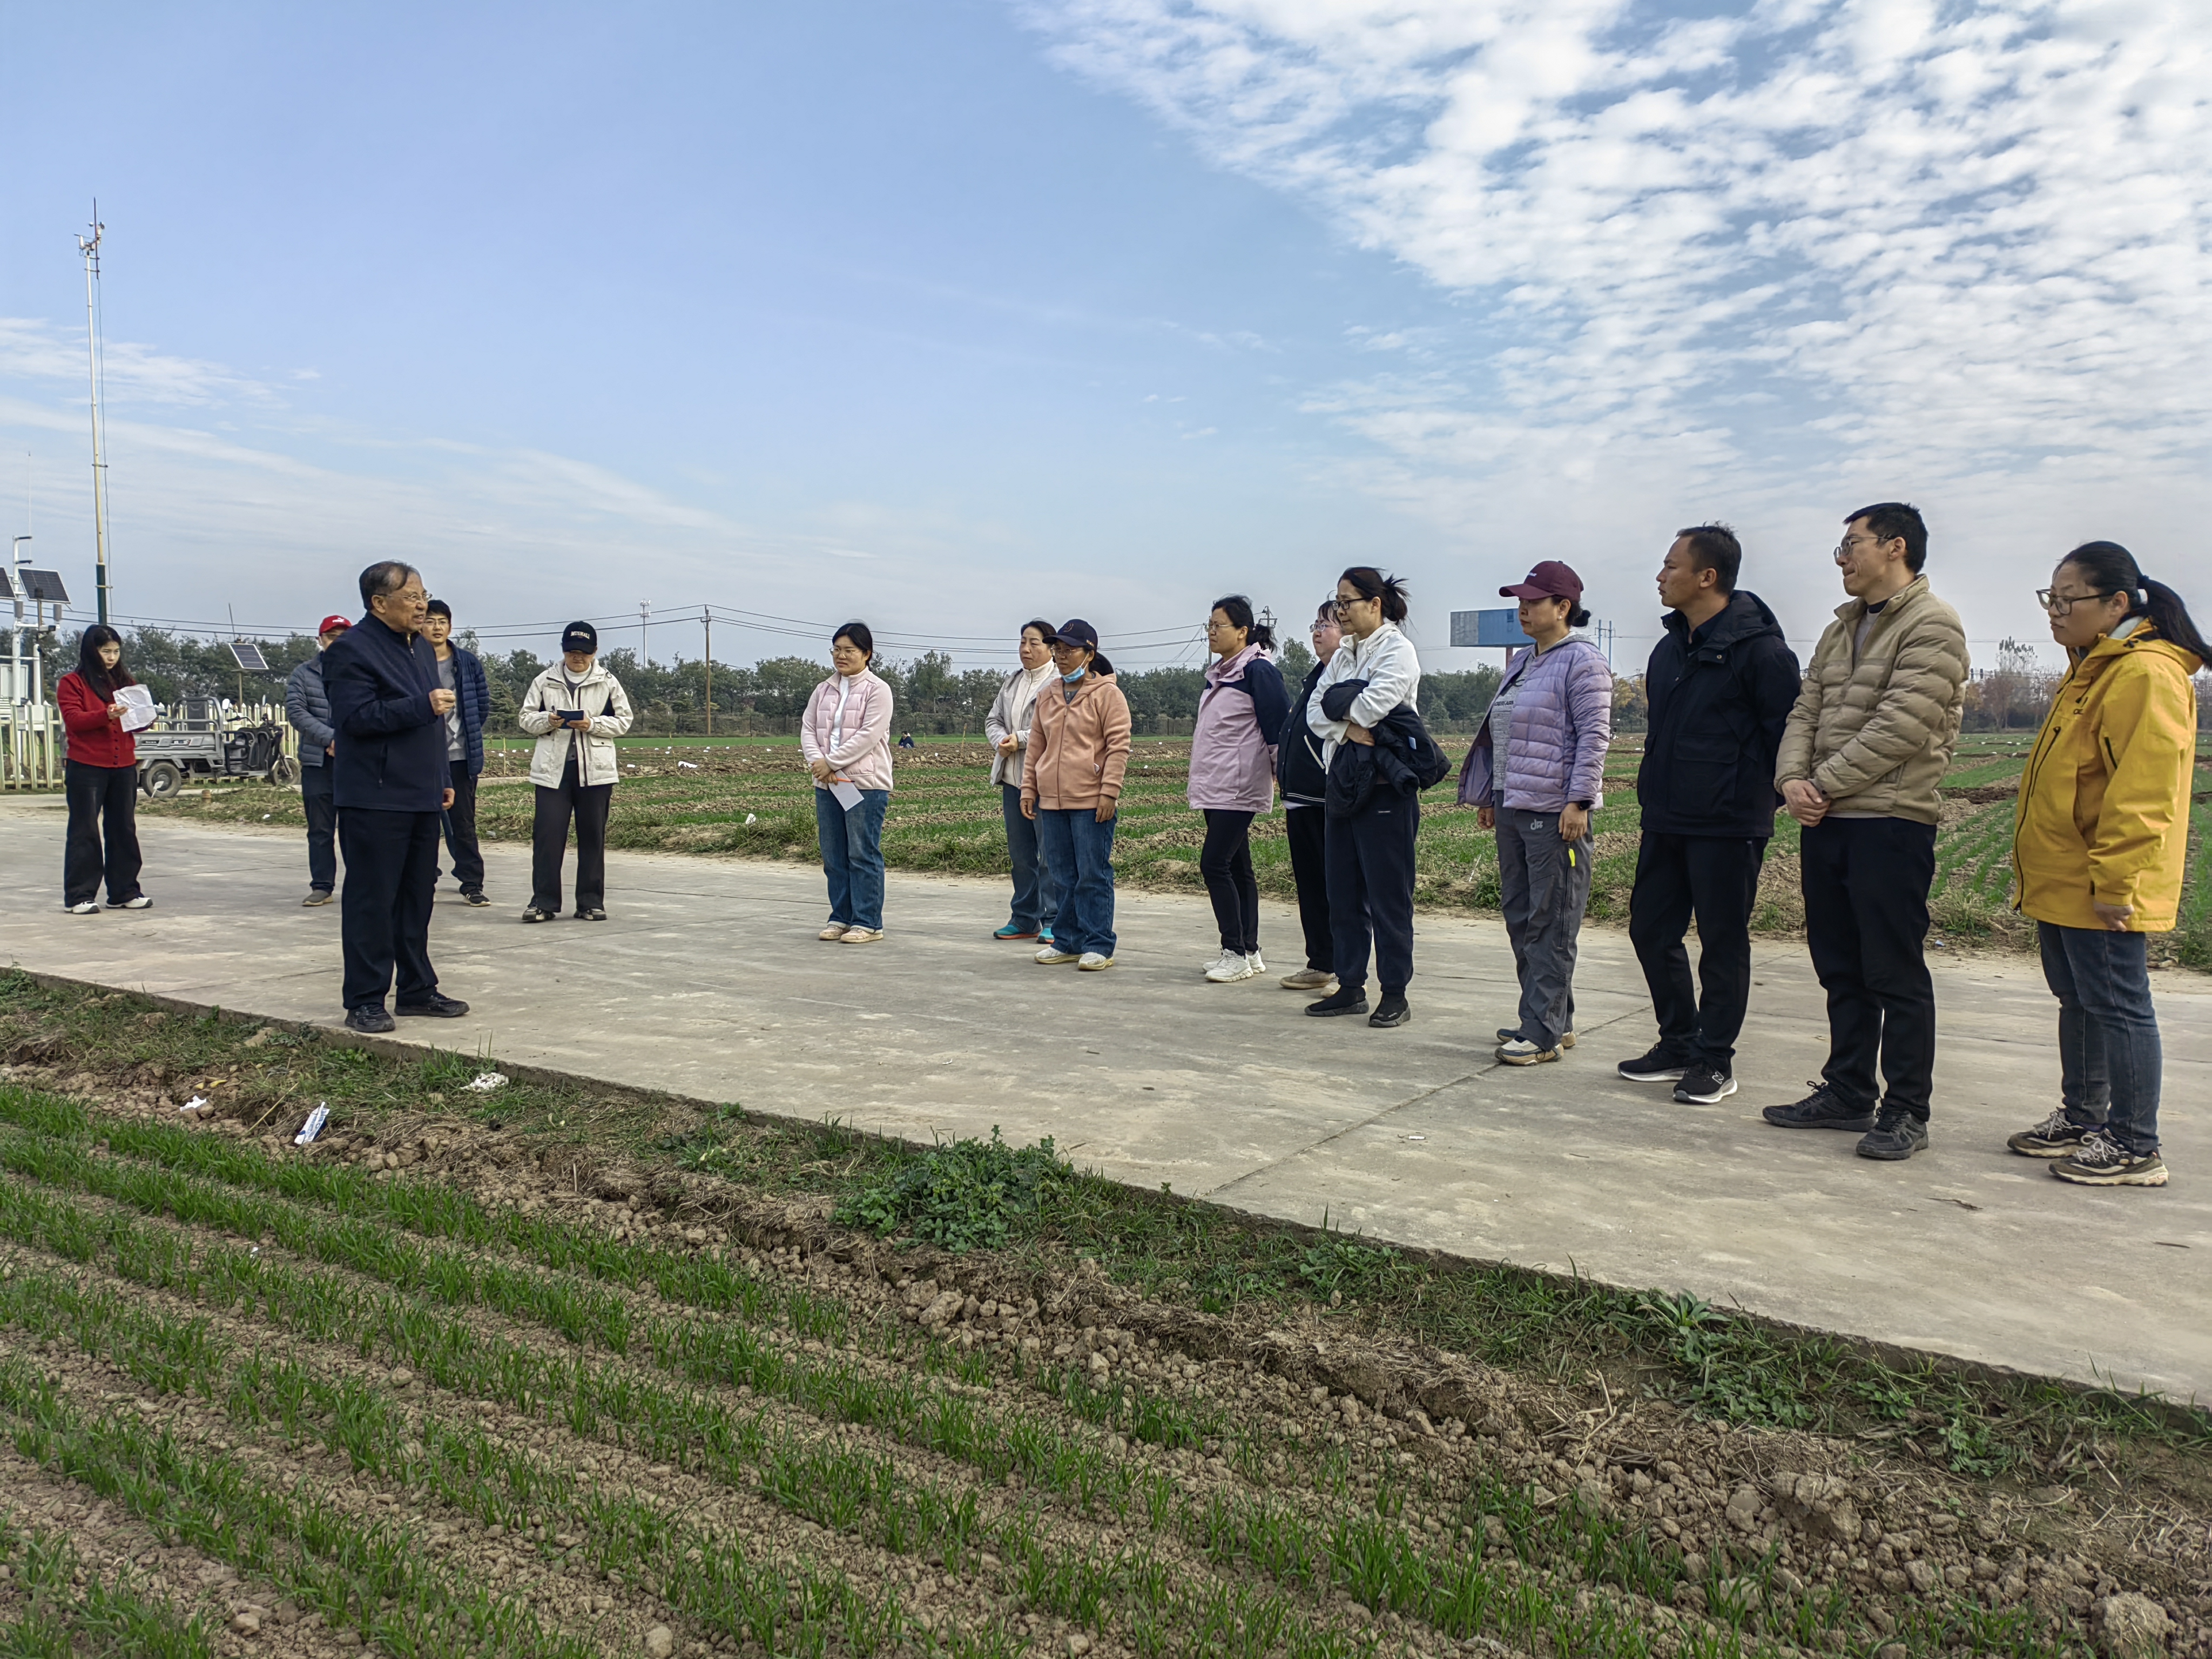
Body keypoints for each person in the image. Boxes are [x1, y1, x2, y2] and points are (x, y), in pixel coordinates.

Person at [1768, 502, 1968, 1161]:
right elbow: (1807, 708)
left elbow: (1903, 724)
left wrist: (1819, 785)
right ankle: (1847, 1089)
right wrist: (1791, 781)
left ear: (1895, 547)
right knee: (1839, 966)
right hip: (1827, 819)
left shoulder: (1932, 626)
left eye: (1851, 545)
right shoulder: (1841, 629)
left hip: (1888, 820)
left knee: (1893, 970)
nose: (1842, 558)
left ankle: (1906, 1107)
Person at [2005, 543, 2205, 1189]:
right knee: (2080, 1002)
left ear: (2118, 603)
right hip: (2064, 876)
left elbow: (2143, 794)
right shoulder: (2091, 668)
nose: (2055, 612)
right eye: (2050, 599)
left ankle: (2134, 1143)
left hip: (2102, 883)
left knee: (2119, 1006)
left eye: (2068, 600)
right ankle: (2084, 1116)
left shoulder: (2143, 673)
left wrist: (2117, 883)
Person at [1618, 527, 1802, 1103]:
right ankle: (1677, 1040)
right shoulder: (1669, 647)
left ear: (1707, 577)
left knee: (1722, 943)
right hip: (1666, 816)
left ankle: (1714, 1058)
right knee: (1650, 928)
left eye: (1670, 566)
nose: (1659, 576)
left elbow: (1787, 739)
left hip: (1727, 823)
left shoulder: (1762, 652)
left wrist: (1751, 801)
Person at [1459, 562, 1613, 1063]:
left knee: (1552, 920)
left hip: (1555, 810)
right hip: (1512, 802)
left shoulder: (1582, 662)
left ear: (1563, 607)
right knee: (1521, 916)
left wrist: (1580, 801)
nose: (1523, 609)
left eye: (1534, 601)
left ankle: (1543, 1032)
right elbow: (1505, 734)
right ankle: (1549, 1017)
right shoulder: (1524, 661)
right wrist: (1492, 794)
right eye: (1520, 601)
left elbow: (1594, 736)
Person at [321, 562, 468, 1033]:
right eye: (411, 596)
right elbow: (357, 719)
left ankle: (416, 989)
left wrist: (442, 775)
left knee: (416, 896)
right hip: (375, 796)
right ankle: (365, 998)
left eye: (424, 594)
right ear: (379, 603)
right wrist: (420, 705)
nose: (422, 604)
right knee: (373, 899)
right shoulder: (352, 653)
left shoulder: (421, 649)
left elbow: (435, 725)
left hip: (422, 792)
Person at [1305, 569, 1422, 1027]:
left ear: (1375, 604)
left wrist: (1344, 706)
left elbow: (1376, 707)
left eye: (1348, 602)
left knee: (1389, 896)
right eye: (1337, 603)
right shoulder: (1344, 655)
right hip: (1343, 782)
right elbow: (1318, 710)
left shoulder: (1398, 651)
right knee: (1344, 892)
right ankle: (1350, 985)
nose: (1341, 611)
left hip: (1384, 789)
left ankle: (1395, 992)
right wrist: (1346, 724)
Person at [1190, 596, 1290, 982]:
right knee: (1237, 865)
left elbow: (1278, 729)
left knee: (1213, 864)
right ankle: (1249, 949)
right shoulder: (1220, 673)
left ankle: (1233, 950)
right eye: (1210, 625)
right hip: (1216, 784)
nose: (1212, 632)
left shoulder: (1258, 672)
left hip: (1237, 784)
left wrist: (1285, 776)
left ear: (1243, 632)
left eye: (1220, 626)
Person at [1022, 619, 1130, 971]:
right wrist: (1029, 787)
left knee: (1092, 874)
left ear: (1090, 654)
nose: (1062, 657)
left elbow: (1118, 747)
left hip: (1090, 801)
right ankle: (1067, 940)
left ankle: (1099, 943)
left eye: (1070, 650)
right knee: (1062, 875)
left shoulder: (1108, 695)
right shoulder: (1049, 695)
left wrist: (1109, 792)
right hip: (1052, 801)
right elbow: (1036, 746)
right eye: (1058, 650)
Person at [518, 622, 635, 923]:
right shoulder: (545, 681)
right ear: (563, 650)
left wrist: (592, 724)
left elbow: (624, 721)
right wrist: (549, 720)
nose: (577, 657)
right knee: (548, 838)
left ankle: (590, 902)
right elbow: (526, 718)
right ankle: (543, 902)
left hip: (595, 773)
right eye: (572, 652)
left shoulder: (607, 682)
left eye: (584, 652)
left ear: (595, 652)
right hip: (552, 772)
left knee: (592, 838)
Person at [800, 622, 895, 943]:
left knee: (862, 853)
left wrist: (832, 762)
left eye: (849, 650)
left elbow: (868, 735)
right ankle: (840, 917)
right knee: (834, 855)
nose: (841, 656)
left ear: (866, 654)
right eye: (837, 650)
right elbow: (808, 729)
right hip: (828, 784)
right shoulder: (823, 690)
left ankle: (868, 922)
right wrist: (819, 765)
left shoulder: (878, 690)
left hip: (864, 785)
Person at [56, 623, 148, 914]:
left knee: (123, 828)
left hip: (123, 765)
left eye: (116, 651)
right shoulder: (72, 682)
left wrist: (145, 716)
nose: (111, 657)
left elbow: (136, 721)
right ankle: (80, 895)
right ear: (91, 651)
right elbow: (75, 720)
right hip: (87, 765)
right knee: (85, 830)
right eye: (105, 651)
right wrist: (105, 714)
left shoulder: (125, 681)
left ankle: (124, 890)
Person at [1276, 599, 1343, 991]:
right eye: (1315, 624)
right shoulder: (1315, 675)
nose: (1318, 631)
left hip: (1326, 799)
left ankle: (1341, 964)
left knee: (1333, 886)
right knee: (1311, 886)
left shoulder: (1346, 674)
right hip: (1300, 798)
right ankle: (1320, 960)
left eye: (1327, 624)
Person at [985, 619, 1060, 941]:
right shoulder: (1012, 682)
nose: (1025, 649)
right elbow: (993, 719)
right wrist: (1002, 740)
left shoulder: (1058, 683)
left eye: (1034, 643)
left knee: (1050, 853)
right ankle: (1025, 917)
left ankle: (1056, 918)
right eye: (1022, 642)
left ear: (1051, 649)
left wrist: (1020, 739)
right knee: (1021, 855)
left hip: (1044, 779)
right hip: (1013, 777)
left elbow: (1056, 726)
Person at [422, 599, 491, 906]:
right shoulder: (410, 660)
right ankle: (424, 877)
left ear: (450, 626)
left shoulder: (466, 662)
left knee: (463, 822)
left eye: (442, 621)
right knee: (423, 822)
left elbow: (481, 705)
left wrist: (468, 732)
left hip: (461, 755)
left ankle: (471, 882)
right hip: (421, 757)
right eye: (430, 621)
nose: (436, 627)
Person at [285, 615, 348, 906]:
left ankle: (362, 883)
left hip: (355, 763)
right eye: (331, 636)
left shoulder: (362, 671)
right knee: (321, 829)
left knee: (356, 829)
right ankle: (322, 885)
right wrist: (331, 739)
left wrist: (349, 742)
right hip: (317, 763)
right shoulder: (303, 674)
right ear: (320, 640)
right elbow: (297, 713)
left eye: (343, 635)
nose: (337, 641)